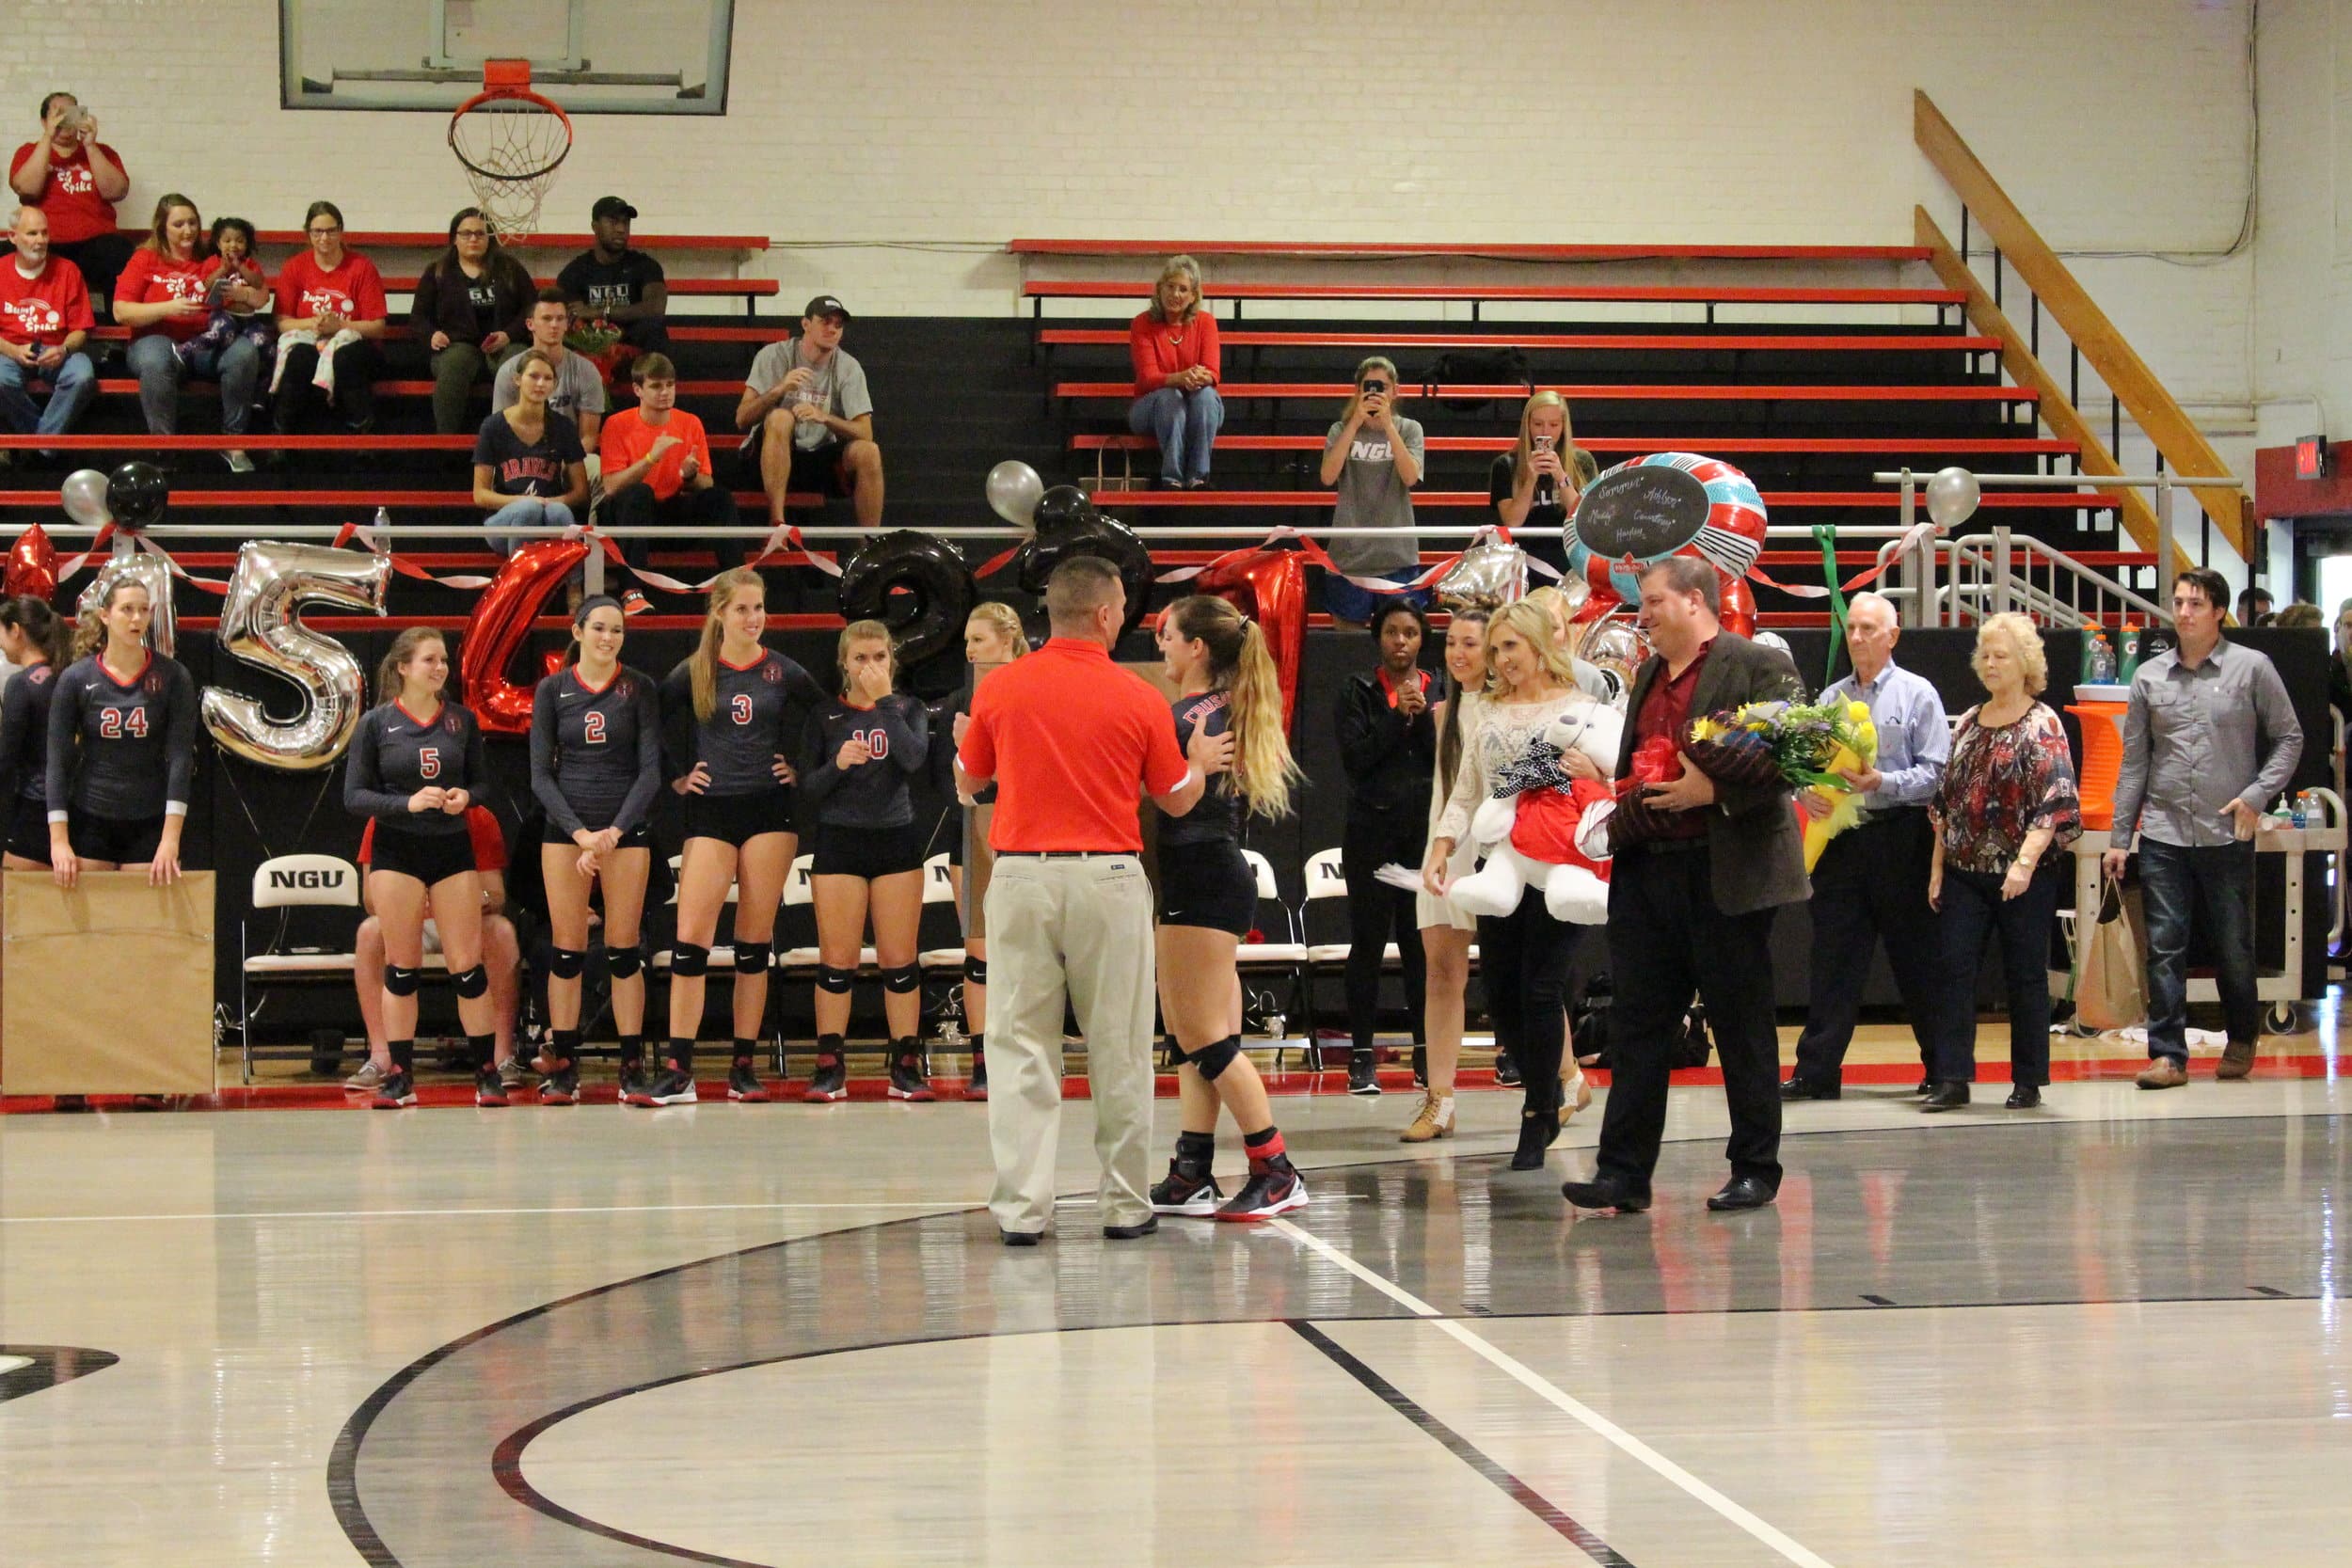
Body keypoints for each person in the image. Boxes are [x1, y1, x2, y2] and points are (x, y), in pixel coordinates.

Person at [955, 555, 1232, 1245]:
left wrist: (968, 753)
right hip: (1108, 877)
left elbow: (969, 781)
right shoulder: (1137, 696)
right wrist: (1198, 761)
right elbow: (1175, 798)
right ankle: (1125, 1203)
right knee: (1121, 1044)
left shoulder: (1002, 687)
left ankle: (1022, 1210)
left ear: (1050, 613)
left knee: (1019, 1044)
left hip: (1020, 876)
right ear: (1107, 614)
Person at [1561, 557, 1809, 1215]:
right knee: (1638, 1026)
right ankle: (1622, 1172)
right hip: (1650, 871)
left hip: (1725, 869)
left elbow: (1801, 753)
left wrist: (1714, 788)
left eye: (1652, 601)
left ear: (1695, 601)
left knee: (1741, 1027)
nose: (1641, 615)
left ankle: (1755, 1167)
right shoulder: (1645, 673)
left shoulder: (1756, 662)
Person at [1425, 600, 1621, 1168]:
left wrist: (1596, 772)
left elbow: (1614, 772)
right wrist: (1442, 848)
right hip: (1498, 863)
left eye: (1511, 646)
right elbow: (1468, 790)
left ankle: (1539, 1112)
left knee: (1541, 988)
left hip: (1560, 861)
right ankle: (1546, 1093)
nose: (1501, 659)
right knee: (1501, 995)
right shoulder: (1483, 710)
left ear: (1539, 645)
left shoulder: (1582, 707)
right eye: (1496, 649)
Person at [2104, 567, 2303, 1089]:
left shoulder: (2252, 668)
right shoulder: (2148, 677)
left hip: (2226, 831)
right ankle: (2168, 1056)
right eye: (2179, 602)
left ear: (2218, 611)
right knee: (2165, 944)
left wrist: (2257, 797)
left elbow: (2290, 738)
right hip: (2164, 831)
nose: (2184, 612)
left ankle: (2240, 1035)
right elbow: (2134, 764)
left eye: (2196, 603)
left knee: (2233, 945)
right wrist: (2120, 839)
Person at [1144, 595, 1310, 1220]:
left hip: (1201, 875)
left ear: (1197, 649)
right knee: (1196, 1035)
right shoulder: (1227, 705)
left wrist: (1176, 771)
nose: (1162, 645)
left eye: (1169, 636)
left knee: (1205, 1037)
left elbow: (1175, 801)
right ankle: (1192, 1169)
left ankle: (1276, 1167)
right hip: (1216, 870)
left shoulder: (1187, 713)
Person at [656, 568, 826, 1106]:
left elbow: (826, 715)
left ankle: (743, 1066)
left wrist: (800, 768)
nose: (754, 618)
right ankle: (679, 1067)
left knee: (754, 946)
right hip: (711, 812)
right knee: (692, 943)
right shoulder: (696, 670)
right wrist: (678, 776)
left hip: (769, 811)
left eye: (759, 608)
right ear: (720, 614)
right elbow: (651, 720)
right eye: (743, 609)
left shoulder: (782, 670)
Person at [1783, 592, 1951, 1099]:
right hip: (1843, 844)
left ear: (1892, 636)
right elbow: (1802, 768)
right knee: (1833, 960)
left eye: (1869, 629)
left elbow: (1938, 775)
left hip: (1901, 838)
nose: (1857, 637)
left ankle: (1943, 1069)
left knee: (1917, 960)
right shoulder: (1831, 699)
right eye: (1852, 628)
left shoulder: (1918, 694)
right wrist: (1805, 792)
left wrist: (1883, 782)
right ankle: (1817, 1072)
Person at [1923, 613, 2084, 1111]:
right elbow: (1947, 804)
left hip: (2024, 875)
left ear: (2026, 664)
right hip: (1965, 870)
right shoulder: (1969, 721)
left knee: (2025, 976)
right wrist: (1937, 869)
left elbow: (2057, 801)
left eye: (2002, 656)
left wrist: (2024, 864)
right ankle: (1951, 1078)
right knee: (1952, 969)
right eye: (1986, 655)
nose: (1991, 664)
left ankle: (2028, 1080)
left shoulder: (2043, 723)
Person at [343, 628, 501, 1108]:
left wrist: (466, 798)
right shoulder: (376, 724)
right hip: (397, 850)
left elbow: (483, 783)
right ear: (403, 668)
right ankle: (400, 1075)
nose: (440, 669)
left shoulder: (462, 721)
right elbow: (354, 796)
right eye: (430, 660)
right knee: (402, 967)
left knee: (467, 968)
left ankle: (487, 1073)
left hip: (452, 848)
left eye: (444, 661)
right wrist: (406, 802)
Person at [530, 596, 661, 1104]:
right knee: (567, 950)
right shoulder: (552, 690)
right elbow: (541, 775)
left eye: (618, 631)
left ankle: (631, 1067)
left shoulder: (639, 689)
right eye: (600, 628)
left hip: (625, 832)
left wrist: (613, 833)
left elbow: (650, 770)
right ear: (578, 631)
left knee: (624, 949)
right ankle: (563, 1066)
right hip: (568, 832)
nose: (609, 638)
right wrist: (582, 834)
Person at [802, 621, 933, 1101]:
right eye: (860, 658)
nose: (870, 666)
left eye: (879, 657)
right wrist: (837, 764)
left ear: (891, 662)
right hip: (840, 841)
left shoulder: (908, 709)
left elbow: (915, 759)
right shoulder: (824, 715)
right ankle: (829, 1064)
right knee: (838, 962)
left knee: (900, 962)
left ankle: (905, 1063)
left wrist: (884, 703)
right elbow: (808, 788)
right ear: (844, 663)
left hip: (895, 841)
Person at [342, 804, 524, 1097]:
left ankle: (501, 1056)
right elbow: (370, 899)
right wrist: (413, 901)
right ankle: (382, 1056)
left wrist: (471, 899)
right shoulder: (384, 817)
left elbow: (497, 895)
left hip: (464, 920)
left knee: (501, 931)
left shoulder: (477, 817)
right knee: (369, 933)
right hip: (410, 921)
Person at [1334, 600, 1434, 1095]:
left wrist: (1425, 718)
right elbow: (1356, 760)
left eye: (1410, 633)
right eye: (1392, 632)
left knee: (1420, 947)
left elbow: (1448, 761)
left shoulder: (1441, 689)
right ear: (1378, 637)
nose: (1400, 642)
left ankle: (1424, 1053)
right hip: (1371, 835)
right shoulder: (1357, 690)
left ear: (1421, 640)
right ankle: (1360, 1057)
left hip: (1423, 838)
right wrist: (1397, 716)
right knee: (1368, 945)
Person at [45, 576, 196, 890]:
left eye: (144, 609)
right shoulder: (76, 679)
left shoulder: (173, 676)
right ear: (105, 615)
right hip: (91, 816)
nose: (137, 618)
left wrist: (171, 839)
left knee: (142, 921)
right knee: (95, 923)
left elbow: (180, 759)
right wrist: (59, 841)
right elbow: (57, 762)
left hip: (149, 818)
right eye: (127, 609)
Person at [1403, 608, 1489, 1140]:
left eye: (1471, 644)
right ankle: (1440, 1098)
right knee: (1440, 972)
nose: (1458, 653)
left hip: (1501, 849)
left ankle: (1566, 1076)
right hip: (1446, 846)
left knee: (1521, 977)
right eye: (1452, 643)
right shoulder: (1444, 711)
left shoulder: (1512, 706)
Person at [936, 602, 1027, 1099]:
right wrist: (965, 753)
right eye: (967, 641)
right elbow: (961, 788)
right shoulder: (961, 700)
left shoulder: (1034, 688)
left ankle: (1024, 1055)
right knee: (981, 951)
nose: (970, 650)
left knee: (1026, 952)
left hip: (1026, 829)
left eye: (980, 640)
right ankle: (982, 1062)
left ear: (1009, 641)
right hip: (973, 826)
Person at [737, 295, 882, 529]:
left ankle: (870, 546)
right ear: (806, 324)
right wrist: (778, 390)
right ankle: (777, 523)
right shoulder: (773, 355)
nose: (832, 329)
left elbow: (865, 432)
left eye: (838, 325)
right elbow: (742, 418)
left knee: (869, 451)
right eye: (825, 321)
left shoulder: (848, 367)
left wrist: (825, 417)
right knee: (781, 417)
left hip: (818, 457)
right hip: (768, 454)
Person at [597, 353, 733, 567]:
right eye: (656, 386)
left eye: (670, 385)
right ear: (637, 390)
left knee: (720, 498)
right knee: (639, 493)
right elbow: (612, 487)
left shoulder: (690, 422)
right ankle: (632, 590)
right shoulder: (616, 424)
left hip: (671, 511)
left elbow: (707, 484)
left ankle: (737, 583)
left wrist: (690, 476)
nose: (665, 392)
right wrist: (651, 458)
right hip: (629, 514)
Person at [271, 200, 389, 442]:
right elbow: (283, 323)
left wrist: (340, 326)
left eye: (331, 230)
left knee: (346, 357)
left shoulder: (361, 267)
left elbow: (377, 327)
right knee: (299, 358)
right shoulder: (295, 267)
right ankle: (282, 436)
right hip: (311, 339)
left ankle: (363, 434)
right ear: (308, 233)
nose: (324, 237)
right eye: (318, 231)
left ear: (340, 231)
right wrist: (313, 323)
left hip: (355, 344)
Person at [1318, 356, 1425, 624]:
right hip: (1349, 557)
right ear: (1357, 390)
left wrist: (1388, 425)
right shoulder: (1340, 430)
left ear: (1395, 390)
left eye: (1383, 387)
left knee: (1399, 638)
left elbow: (1411, 477)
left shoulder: (1409, 429)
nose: (1376, 393)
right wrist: (1355, 422)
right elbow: (1328, 476)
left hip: (1397, 556)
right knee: (1348, 646)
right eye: (1369, 386)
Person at [8, 93, 130, 321]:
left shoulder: (103, 152)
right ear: (44, 121)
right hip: (44, 242)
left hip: (94, 243)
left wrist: (90, 146)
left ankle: (115, 332)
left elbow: (116, 192)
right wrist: (48, 138)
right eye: (58, 114)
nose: (66, 120)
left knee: (119, 252)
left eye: (72, 114)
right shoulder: (28, 152)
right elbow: (27, 189)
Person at [413, 208, 532, 435]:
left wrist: (509, 334)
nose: (473, 238)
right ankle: (446, 443)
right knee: (454, 364)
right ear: (454, 238)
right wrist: (432, 335)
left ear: (490, 238)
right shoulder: (438, 272)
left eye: (480, 233)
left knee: (519, 363)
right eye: (466, 233)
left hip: (504, 343)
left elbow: (531, 308)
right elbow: (418, 317)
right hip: (457, 347)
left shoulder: (510, 268)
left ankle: (517, 438)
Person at [0, 204, 94, 460]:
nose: (40, 241)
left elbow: (80, 331)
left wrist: (63, 350)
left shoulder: (68, 270)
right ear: (12, 237)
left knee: (82, 374)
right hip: (9, 349)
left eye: (44, 233)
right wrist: (12, 350)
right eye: (32, 234)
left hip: (56, 348)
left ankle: (36, 449)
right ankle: (43, 442)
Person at [473, 348, 588, 554]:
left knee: (559, 511)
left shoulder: (563, 426)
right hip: (503, 521)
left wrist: (551, 502)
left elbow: (581, 492)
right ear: (518, 379)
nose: (540, 383)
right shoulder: (493, 426)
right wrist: (524, 501)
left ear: (554, 385)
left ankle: (573, 585)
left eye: (547, 378)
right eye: (533, 376)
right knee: (528, 509)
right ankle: (522, 584)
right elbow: (480, 495)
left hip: (548, 515)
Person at [1126, 254, 1222, 489]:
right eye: (1170, 287)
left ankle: (1199, 477)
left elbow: (1213, 373)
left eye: (1183, 289)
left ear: (1193, 296)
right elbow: (1148, 379)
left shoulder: (1206, 322)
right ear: (1160, 289)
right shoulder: (1142, 323)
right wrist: (1181, 378)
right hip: (1150, 407)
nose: (1175, 294)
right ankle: (1172, 478)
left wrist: (1200, 377)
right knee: (1171, 397)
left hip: (1197, 405)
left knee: (1207, 395)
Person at [1491, 391, 1599, 579]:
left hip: (1570, 564)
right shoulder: (1506, 464)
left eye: (1554, 425)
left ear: (1564, 426)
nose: (1545, 432)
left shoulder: (1582, 462)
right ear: (1528, 425)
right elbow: (1513, 521)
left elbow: (1584, 517)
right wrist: (1530, 480)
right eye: (1538, 424)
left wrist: (1561, 476)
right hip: (1524, 566)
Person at [557, 196, 671, 358]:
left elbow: (655, 308)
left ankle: (655, 383)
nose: (621, 229)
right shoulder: (575, 271)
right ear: (595, 226)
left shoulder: (645, 265)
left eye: (625, 222)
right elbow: (571, 315)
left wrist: (600, 312)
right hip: (591, 348)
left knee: (654, 327)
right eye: (613, 221)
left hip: (632, 349)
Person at [492, 289, 606, 451]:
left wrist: (567, 466)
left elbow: (588, 437)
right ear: (530, 324)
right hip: (522, 458)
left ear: (567, 324)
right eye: (547, 318)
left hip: (570, 456)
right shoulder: (509, 371)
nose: (554, 325)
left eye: (560, 319)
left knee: (593, 464)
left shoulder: (586, 370)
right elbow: (501, 433)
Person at [0, 595, 66, 869]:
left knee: (16, 901)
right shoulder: (68, 674)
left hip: (34, 806)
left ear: (16, 631)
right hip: (71, 805)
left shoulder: (21, 683)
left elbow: (6, 757)